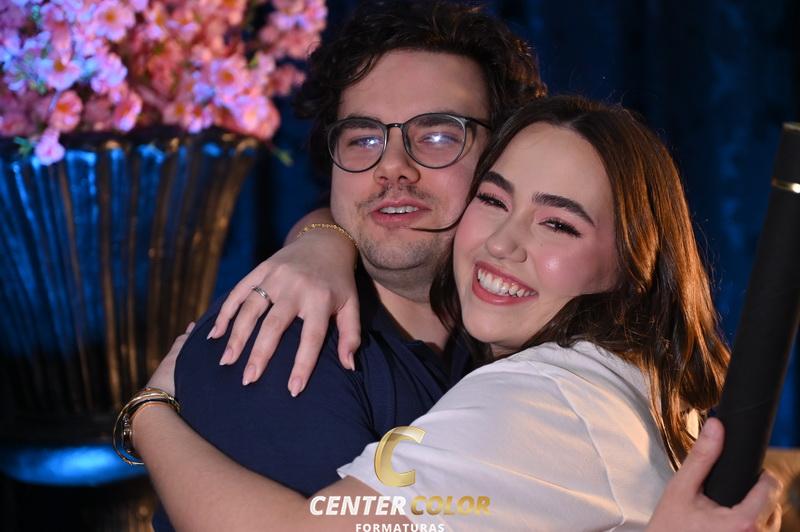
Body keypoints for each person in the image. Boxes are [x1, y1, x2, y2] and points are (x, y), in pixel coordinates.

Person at [133, 95, 783, 530]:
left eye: (558, 224)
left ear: (631, 263)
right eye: (494, 200)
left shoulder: (546, 400)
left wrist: (150, 415)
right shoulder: (630, 382)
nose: (502, 243)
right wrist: (321, 239)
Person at [148, 1, 544, 529]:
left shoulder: (521, 332)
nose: (393, 167)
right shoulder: (281, 342)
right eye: (364, 139)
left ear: (504, 159)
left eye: (437, 135)